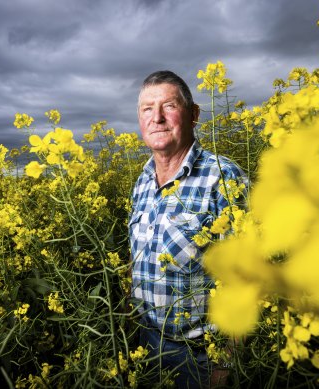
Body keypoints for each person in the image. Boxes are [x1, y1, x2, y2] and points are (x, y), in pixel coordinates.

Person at [129, 70, 248, 388]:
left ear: (193, 114)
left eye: (169, 105)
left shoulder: (223, 177)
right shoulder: (141, 182)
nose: (157, 117)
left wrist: (222, 368)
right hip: (146, 342)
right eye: (146, 109)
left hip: (198, 356)